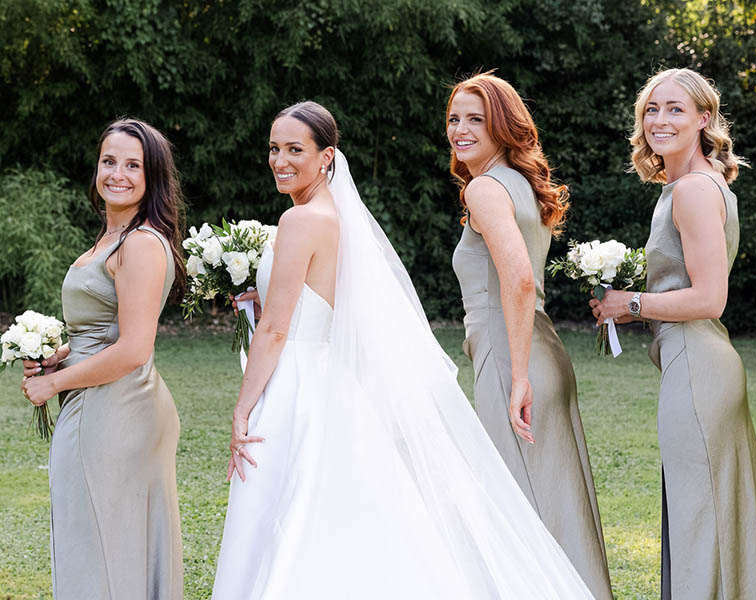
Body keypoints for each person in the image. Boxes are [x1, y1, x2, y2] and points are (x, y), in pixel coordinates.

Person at [210, 100, 594, 599]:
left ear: (326, 156)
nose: (281, 160)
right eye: (274, 149)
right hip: (333, 380)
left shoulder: (301, 221)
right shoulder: (333, 216)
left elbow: (277, 332)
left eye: (295, 150)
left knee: (290, 508)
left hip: (298, 381)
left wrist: (243, 406)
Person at [590, 68, 756, 599]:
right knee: (705, 512)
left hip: (698, 367)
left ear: (704, 119)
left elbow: (709, 298)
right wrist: (634, 310)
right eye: (652, 109)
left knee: (699, 516)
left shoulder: (694, 191)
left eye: (675, 109)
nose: (660, 119)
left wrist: (629, 301)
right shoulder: (694, 185)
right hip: (695, 359)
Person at [449, 71, 612, 599]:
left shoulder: (484, 189)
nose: (461, 129)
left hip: (511, 357)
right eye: (455, 118)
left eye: (477, 119)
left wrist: (517, 376)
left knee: (513, 503)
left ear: (503, 127)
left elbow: (518, 279)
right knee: (549, 502)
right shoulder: (519, 186)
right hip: (541, 349)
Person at [21, 118, 186, 599]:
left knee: (96, 548)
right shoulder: (113, 238)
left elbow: (134, 348)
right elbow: (106, 331)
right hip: (111, 403)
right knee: (106, 544)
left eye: (133, 165)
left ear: (152, 176)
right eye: (109, 161)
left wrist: (53, 385)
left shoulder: (139, 243)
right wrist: (59, 359)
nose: (118, 173)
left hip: (114, 410)